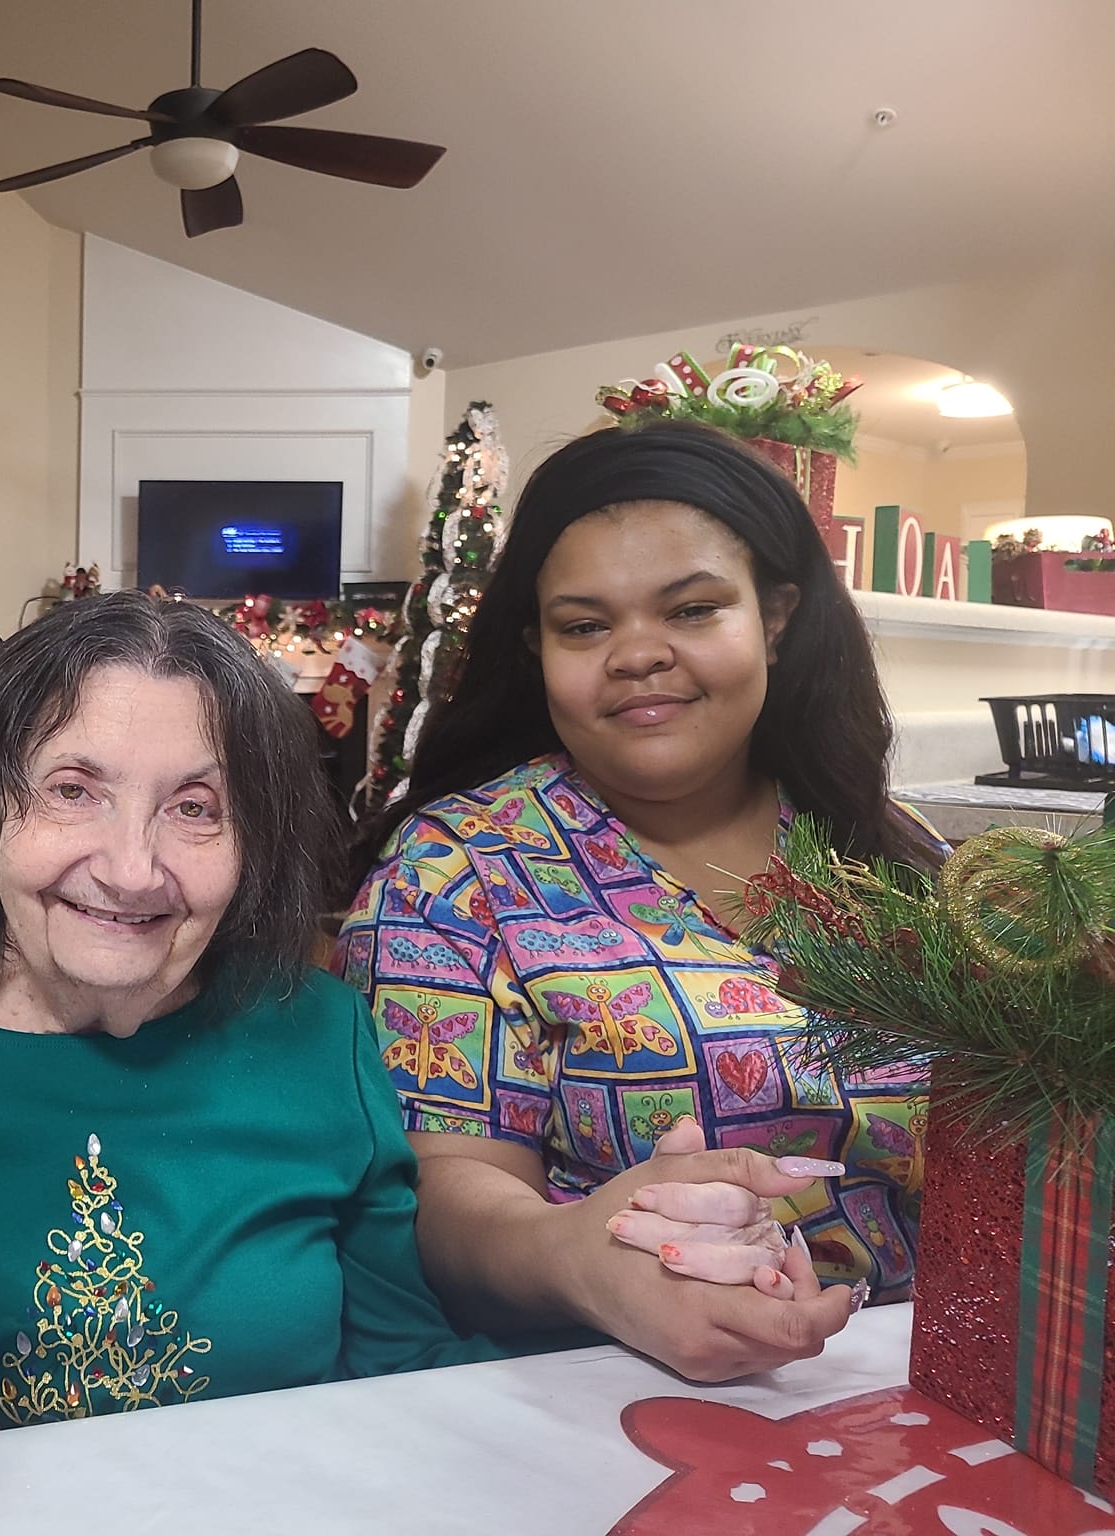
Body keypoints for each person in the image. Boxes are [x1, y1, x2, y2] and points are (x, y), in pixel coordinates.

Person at [0, 591, 498, 1466]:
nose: (131, 870)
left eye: (196, 807)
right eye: (72, 791)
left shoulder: (321, 1036)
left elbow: (406, 1377)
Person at [335, 421, 946, 1383]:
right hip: (619, 1400)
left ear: (775, 617)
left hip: (936, 1382)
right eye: (585, 626)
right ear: (536, 647)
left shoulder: (889, 851)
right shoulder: (456, 872)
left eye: (693, 610)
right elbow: (446, 1193)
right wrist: (583, 1260)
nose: (637, 655)